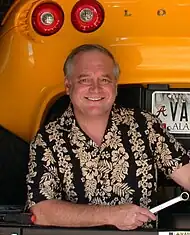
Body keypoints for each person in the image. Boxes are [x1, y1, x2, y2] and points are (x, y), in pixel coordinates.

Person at [26, 44, 190, 230]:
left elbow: (187, 174)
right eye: (84, 80)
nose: (95, 89)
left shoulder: (145, 125)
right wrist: (112, 215)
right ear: (68, 86)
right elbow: (41, 212)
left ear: (115, 85)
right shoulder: (48, 139)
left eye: (104, 80)